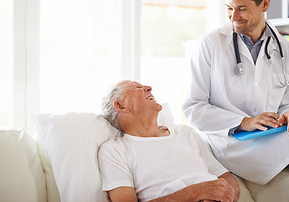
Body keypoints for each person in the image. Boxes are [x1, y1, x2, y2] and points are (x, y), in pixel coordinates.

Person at [182, 0, 289, 185]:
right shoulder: (210, 44)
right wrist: (243, 122)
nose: (233, 17)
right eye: (229, 8)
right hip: (230, 142)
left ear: (264, 4)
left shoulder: (286, 49)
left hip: (272, 135)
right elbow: (193, 107)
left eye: (242, 9)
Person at [98, 80, 241, 202]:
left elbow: (226, 177)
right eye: (137, 87)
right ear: (121, 106)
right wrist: (197, 192)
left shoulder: (186, 133)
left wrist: (223, 195)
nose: (148, 88)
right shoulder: (115, 151)